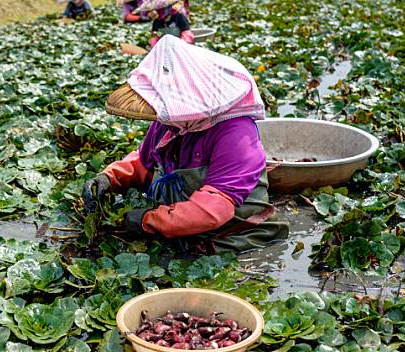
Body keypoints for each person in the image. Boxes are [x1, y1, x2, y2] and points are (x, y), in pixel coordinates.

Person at [82, 36, 289, 253]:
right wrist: (110, 177)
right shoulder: (169, 122)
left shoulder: (236, 134)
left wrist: (148, 220)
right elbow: (145, 162)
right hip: (177, 223)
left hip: (233, 234)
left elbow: (214, 209)